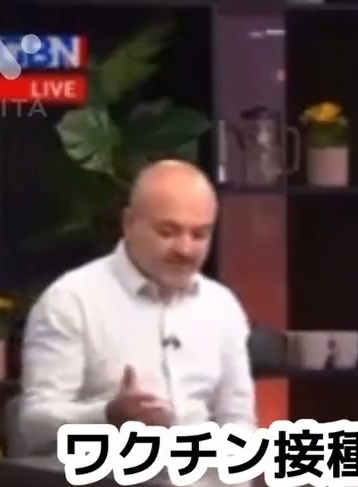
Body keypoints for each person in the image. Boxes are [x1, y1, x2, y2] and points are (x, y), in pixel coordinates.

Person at [17, 159, 256, 455]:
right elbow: (33, 426)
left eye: (199, 235)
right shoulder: (71, 300)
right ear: (129, 223)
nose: (185, 249)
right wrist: (108, 415)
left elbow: (238, 421)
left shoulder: (221, 306)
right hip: (102, 479)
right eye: (167, 232)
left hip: (202, 478)